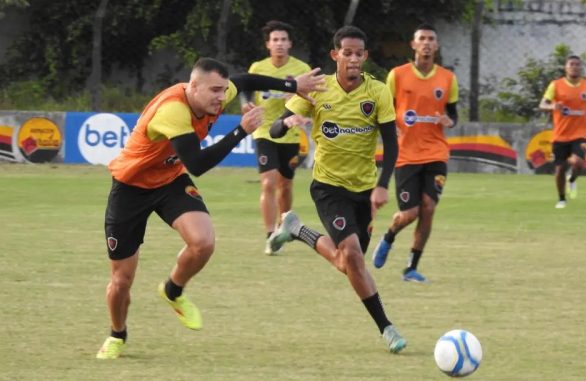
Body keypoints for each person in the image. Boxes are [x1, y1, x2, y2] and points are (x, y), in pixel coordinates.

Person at [96, 57, 325, 359]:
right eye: (214, 91)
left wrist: (292, 85)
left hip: (170, 181)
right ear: (193, 86)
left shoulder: (216, 93)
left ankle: (173, 291)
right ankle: (117, 334)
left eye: (222, 91)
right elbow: (198, 163)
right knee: (122, 280)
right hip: (130, 189)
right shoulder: (173, 110)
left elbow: (244, 81)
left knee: (203, 242)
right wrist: (241, 131)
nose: (221, 97)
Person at [267, 25, 406, 353]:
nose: (354, 59)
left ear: (366, 57)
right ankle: (387, 327)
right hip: (329, 188)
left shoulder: (378, 92)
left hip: (364, 189)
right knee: (354, 256)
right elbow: (274, 129)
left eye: (359, 53)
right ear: (335, 55)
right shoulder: (317, 89)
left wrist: (383, 186)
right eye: (347, 53)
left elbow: (391, 143)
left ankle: (297, 229)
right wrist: (286, 122)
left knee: (347, 265)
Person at [370, 23, 459, 283]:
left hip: (436, 153)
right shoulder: (397, 75)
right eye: (422, 39)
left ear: (437, 45)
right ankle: (389, 236)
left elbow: (453, 114)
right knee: (410, 213)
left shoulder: (447, 79)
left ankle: (411, 268)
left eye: (431, 39)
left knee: (429, 207)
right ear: (413, 44)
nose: (427, 43)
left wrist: (448, 121)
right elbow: (385, 108)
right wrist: (389, 129)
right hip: (406, 154)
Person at [243, 20, 312, 255]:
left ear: (290, 44)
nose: (279, 44)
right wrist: (245, 103)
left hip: (290, 133)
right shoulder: (258, 67)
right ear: (268, 45)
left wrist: (297, 110)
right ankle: (270, 235)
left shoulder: (302, 68)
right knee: (268, 182)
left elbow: (309, 99)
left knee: (285, 185)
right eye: (275, 40)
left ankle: (285, 226)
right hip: (264, 131)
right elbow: (244, 87)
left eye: (283, 39)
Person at [539, 55, 586, 209]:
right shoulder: (555, 85)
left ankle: (572, 179)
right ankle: (562, 199)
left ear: (581, 67)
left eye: (577, 64)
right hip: (560, 134)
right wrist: (552, 107)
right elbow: (543, 104)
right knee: (560, 168)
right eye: (571, 64)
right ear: (566, 67)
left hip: (580, 133)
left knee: (578, 162)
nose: (574, 67)